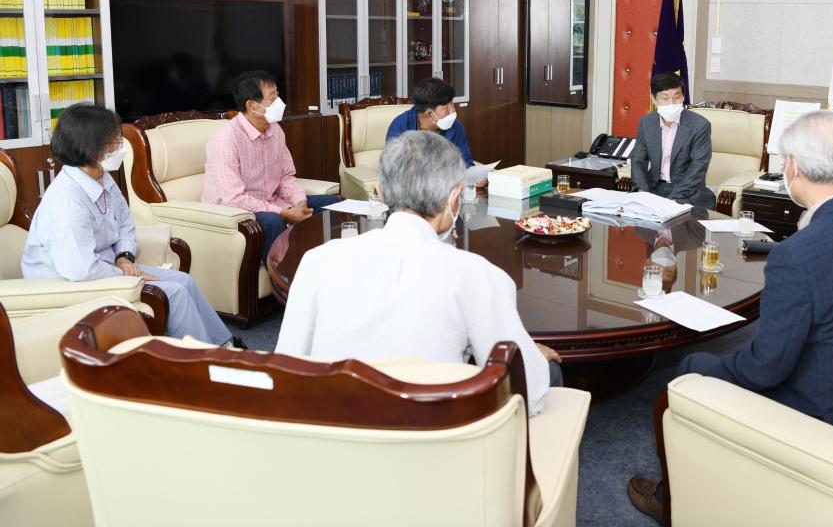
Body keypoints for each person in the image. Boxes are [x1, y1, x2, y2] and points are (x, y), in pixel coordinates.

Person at [628, 110, 833, 522]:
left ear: (793, 168)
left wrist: (721, 363)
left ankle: (676, 499)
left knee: (693, 366)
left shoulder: (796, 255)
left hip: (822, 417)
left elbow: (765, 368)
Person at [276, 131, 560, 415]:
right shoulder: (478, 275)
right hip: (428, 443)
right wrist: (531, 357)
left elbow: (286, 370)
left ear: (383, 193)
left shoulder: (317, 261)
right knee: (550, 373)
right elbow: (530, 394)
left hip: (332, 438)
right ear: (454, 198)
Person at [21, 104, 235, 346]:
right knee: (172, 293)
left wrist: (124, 257)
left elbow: (125, 223)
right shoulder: (67, 202)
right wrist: (125, 272)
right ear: (91, 147)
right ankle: (202, 363)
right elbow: (79, 270)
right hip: (67, 283)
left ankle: (224, 345)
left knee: (185, 281)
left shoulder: (101, 178)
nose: (120, 146)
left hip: (104, 267)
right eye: (114, 140)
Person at [202, 71, 340, 262]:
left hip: (270, 202)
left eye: (278, 95)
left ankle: (325, 266)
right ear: (252, 105)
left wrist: (300, 202)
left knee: (331, 202)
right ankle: (283, 280)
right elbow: (234, 198)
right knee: (272, 220)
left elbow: (286, 177)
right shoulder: (227, 139)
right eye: (272, 98)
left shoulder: (275, 130)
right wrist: (284, 212)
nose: (279, 103)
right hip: (233, 212)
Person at [629, 71, 713, 210]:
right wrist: (642, 192)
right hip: (654, 189)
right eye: (665, 98)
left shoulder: (700, 125)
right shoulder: (646, 122)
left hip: (688, 193)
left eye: (676, 97)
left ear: (683, 97)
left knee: (676, 225)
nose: (671, 103)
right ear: (654, 99)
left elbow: (698, 167)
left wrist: (672, 200)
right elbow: (638, 160)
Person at [386, 77, 477, 170]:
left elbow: (465, 160)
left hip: (447, 181)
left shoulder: (454, 125)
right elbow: (394, 166)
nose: (453, 110)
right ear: (429, 114)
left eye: (452, 104)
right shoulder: (400, 126)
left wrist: (473, 173)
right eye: (446, 107)